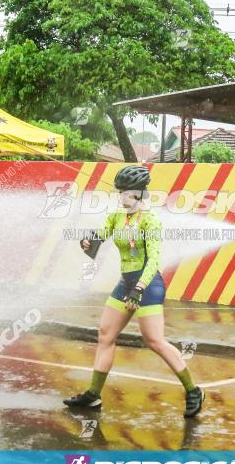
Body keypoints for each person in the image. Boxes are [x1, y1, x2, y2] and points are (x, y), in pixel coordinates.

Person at [64, 165, 205, 418]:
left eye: (126, 193)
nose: (122, 198)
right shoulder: (117, 216)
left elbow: (154, 260)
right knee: (105, 334)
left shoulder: (150, 221)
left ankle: (193, 390)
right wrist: (88, 240)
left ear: (139, 194)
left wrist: (138, 290)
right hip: (126, 283)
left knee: (154, 340)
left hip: (148, 285)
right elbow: (101, 234)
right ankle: (93, 395)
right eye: (120, 193)